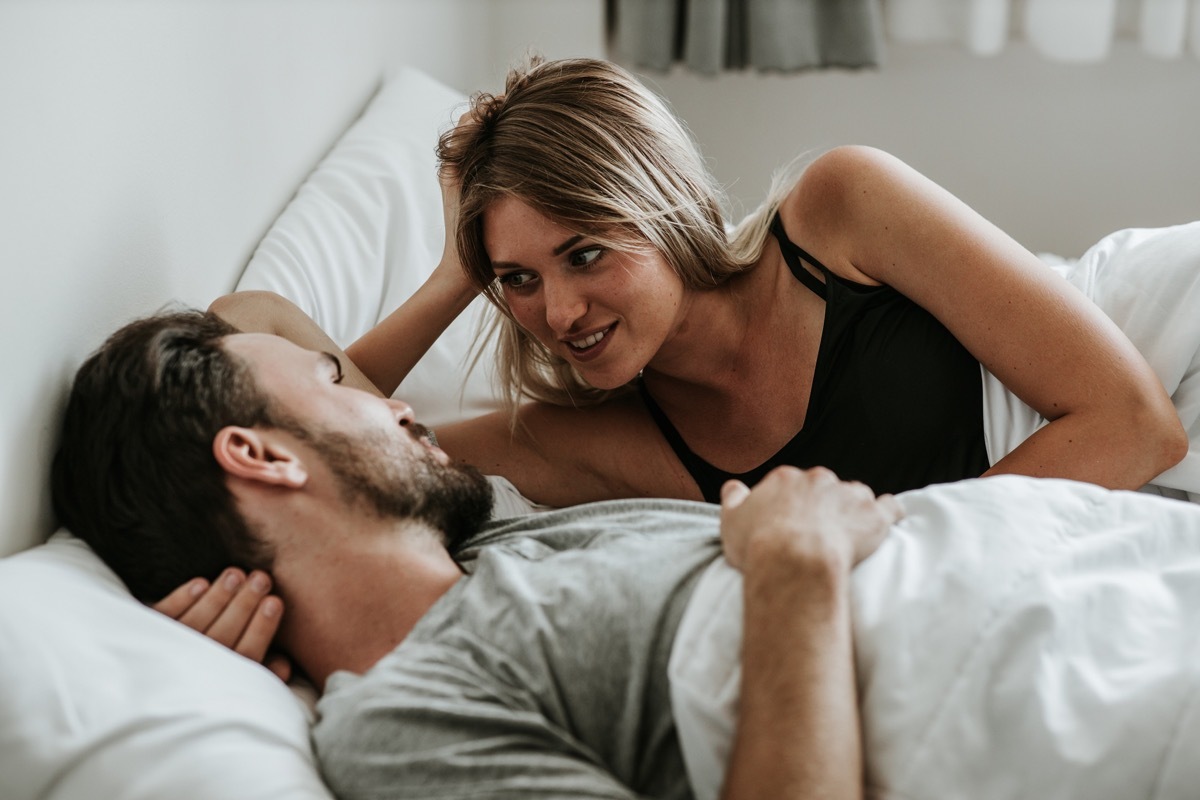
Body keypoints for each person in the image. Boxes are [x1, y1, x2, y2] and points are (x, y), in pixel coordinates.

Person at [51, 309, 1200, 799]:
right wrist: (796, 571)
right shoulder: (401, 719)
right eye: (340, 386)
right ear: (259, 453)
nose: (396, 402)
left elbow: (248, 302)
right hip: (1100, 687)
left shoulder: (496, 531)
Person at [215, 56, 1189, 511]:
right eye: (518, 277)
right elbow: (269, 363)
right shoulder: (588, 440)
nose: (555, 313)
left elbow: (1134, 423)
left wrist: (884, 541)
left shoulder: (842, 207)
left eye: (587, 252)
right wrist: (453, 277)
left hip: (1152, 333)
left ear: (664, 204)